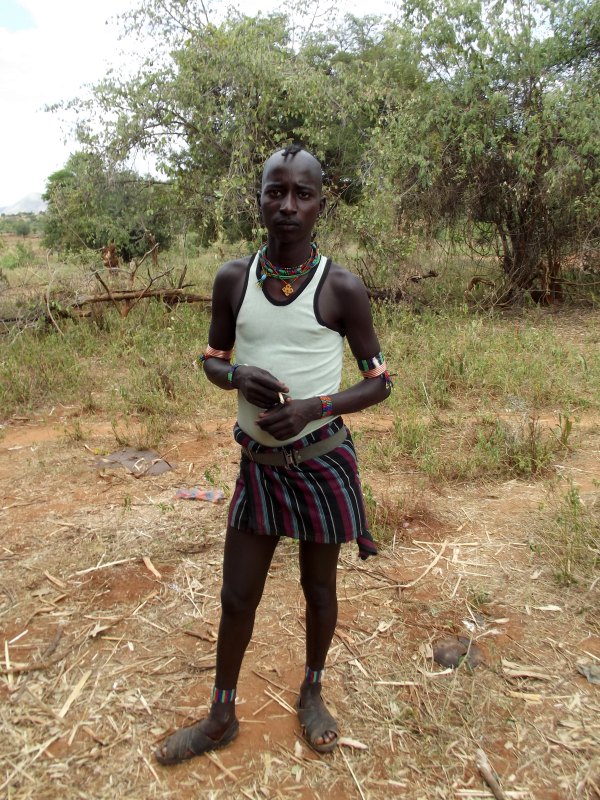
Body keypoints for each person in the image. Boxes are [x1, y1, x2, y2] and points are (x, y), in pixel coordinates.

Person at [155, 145, 391, 765]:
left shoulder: (340, 286)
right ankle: (220, 715)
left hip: (322, 462)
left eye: (302, 194)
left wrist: (315, 406)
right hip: (259, 468)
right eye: (275, 192)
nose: (287, 206)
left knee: (319, 588)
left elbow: (379, 381)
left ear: (320, 203)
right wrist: (236, 378)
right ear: (257, 198)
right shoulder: (234, 279)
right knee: (237, 596)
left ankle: (313, 692)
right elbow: (212, 358)